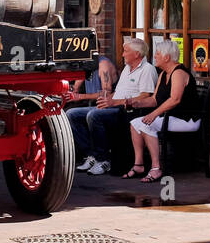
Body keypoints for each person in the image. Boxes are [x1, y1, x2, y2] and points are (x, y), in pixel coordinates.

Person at [67, 39, 158, 175]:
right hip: (114, 105)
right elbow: (117, 92)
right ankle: (91, 155)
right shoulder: (128, 68)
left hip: (127, 110)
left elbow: (146, 96)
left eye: (126, 51)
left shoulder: (147, 69)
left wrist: (113, 102)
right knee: (72, 114)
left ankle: (103, 159)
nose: (122, 55)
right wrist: (107, 101)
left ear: (137, 54)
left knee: (94, 116)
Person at [125, 40, 201, 182]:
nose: (155, 57)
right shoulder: (163, 74)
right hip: (171, 117)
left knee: (147, 124)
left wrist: (154, 114)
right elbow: (154, 99)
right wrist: (136, 103)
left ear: (167, 57)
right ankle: (139, 164)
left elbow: (175, 99)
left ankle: (156, 168)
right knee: (135, 123)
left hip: (186, 119)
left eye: (158, 54)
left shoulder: (178, 73)